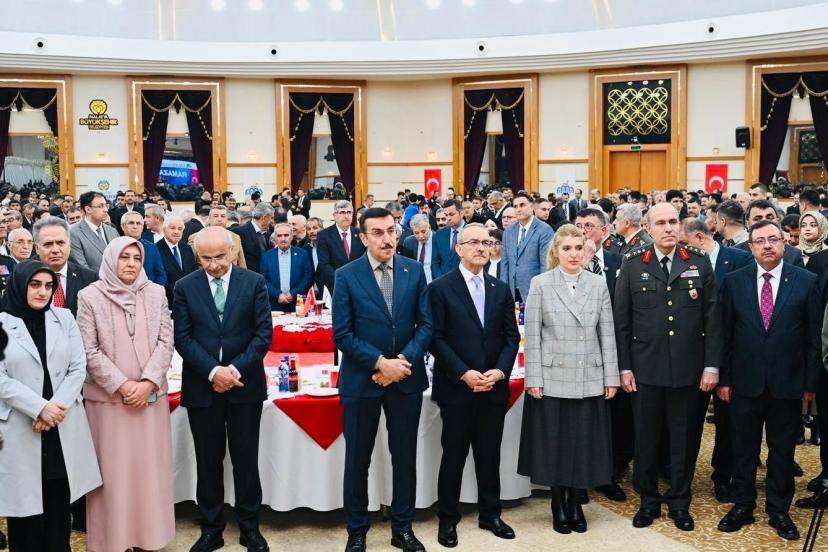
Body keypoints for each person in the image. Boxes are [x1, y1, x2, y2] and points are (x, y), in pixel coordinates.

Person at [614, 203, 722, 532]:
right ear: (648, 228)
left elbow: (712, 319)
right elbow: (622, 321)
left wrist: (711, 365)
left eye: (673, 221)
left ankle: (679, 501)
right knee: (646, 440)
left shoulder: (698, 261)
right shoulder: (633, 263)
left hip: (689, 371)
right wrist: (624, 368)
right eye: (661, 222)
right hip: (645, 370)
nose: (669, 228)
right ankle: (648, 500)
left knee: (684, 440)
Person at [333, 208, 432, 552]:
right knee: (357, 460)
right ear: (363, 238)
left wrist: (401, 362)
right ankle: (357, 530)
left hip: (405, 378)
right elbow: (342, 334)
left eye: (391, 231)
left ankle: (402, 528)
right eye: (377, 233)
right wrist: (379, 363)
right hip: (361, 380)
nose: (387, 239)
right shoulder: (346, 275)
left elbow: (426, 325)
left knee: (404, 457)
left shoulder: (413, 270)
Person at [716, 220, 822, 541]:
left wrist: (810, 384)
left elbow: (813, 339)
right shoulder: (734, 282)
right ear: (750, 247)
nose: (767, 245)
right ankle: (743, 504)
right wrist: (724, 379)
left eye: (773, 239)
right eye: (760, 240)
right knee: (743, 449)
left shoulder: (806, 281)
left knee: (782, 451)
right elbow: (724, 335)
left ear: (784, 244)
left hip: (787, 384)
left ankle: (778, 510)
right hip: (744, 383)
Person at [173, 227, 272, 552]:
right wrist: (214, 372)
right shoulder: (185, 286)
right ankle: (211, 528)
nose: (214, 265)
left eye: (219, 257)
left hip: (245, 385)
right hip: (202, 387)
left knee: (246, 460)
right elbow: (183, 338)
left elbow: (263, 334)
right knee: (207, 460)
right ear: (197, 256)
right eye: (206, 258)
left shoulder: (253, 282)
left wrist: (234, 370)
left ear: (231, 252)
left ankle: (250, 528)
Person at [518, 224, 619, 534]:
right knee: (556, 443)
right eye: (567, 248)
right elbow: (533, 335)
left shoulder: (598, 284)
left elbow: (607, 333)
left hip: (589, 373)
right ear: (556, 252)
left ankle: (576, 502)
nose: (573, 254)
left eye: (578, 248)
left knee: (584, 442)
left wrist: (611, 376)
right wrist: (534, 378)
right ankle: (558, 503)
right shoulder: (540, 283)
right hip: (552, 375)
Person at [76, 237, 175, 552]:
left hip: (150, 402)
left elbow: (166, 341)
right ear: (110, 260)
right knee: (114, 476)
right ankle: (114, 541)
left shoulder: (156, 293)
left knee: (148, 473)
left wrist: (148, 383)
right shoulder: (89, 296)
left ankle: (149, 538)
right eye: (124, 257)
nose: (131, 263)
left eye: (136, 258)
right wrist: (122, 385)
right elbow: (88, 350)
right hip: (108, 404)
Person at [0, 260, 102, 552]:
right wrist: (39, 408)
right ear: (20, 285)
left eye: (48, 286)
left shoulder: (64, 317)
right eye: (35, 285)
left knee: (58, 507)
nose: (42, 292)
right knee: (25, 515)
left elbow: (78, 367)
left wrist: (54, 409)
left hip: (60, 425)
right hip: (22, 425)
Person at [429, 223, 520, 547]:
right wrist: (463, 373)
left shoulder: (500, 288)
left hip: (493, 387)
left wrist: (500, 371)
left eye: (487, 242)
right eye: (474, 242)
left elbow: (511, 336)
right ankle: (448, 519)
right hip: (457, 388)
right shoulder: (440, 288)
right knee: (453, 455)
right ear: (459, 248)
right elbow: (435, 338)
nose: (482, 247)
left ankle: (490, 514)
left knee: (489, 454)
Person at [500, 192, 554, 302]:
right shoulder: (508, 232)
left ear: (532, 206)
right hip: (512, 291)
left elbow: (546, 264)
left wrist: (543, 292)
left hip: (534, 291)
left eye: (522, 205)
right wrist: (503, 291)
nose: (518, 209)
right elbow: (505, 264)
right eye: (515, 206)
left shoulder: (544, 230)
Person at [260, 223, 314, 312]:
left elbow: (308, 277)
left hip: (298, 303)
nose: (283, 239)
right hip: (274, 304)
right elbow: (263, 279)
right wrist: (277, 295)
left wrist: (293, 294)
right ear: (275, 238)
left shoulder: (303, 254)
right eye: (279, 236)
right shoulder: (266, 256)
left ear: (292, 237)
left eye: (286, 235)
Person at [316, 200, 366, 294]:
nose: (346, 216)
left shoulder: (360, 234)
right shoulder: (324, 235)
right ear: (334, 215)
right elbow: (325, 265)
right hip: (335, 286)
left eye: (349, 212)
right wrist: (342, 282)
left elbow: (364, 260)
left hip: (358, 286)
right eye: (342, 212)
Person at [155, 214, 197, 309]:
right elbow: (159, 278)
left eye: (180, 229)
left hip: (189, 300)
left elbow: (192, 272)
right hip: (168, 301)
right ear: (164, 229)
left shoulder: (187, 248)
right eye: (172, 228)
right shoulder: (156, 249)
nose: (176, 232)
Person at [70, 191, 119, 272]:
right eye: (101, 206)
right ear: (88, 209)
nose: (106, 210)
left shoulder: (112, 231)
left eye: (106, 205)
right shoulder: (73, 233)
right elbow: (82, 267)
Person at [120, 211, 167, 287]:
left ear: (142, 227)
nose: (135, 226)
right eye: (131, 223)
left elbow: (161, 275)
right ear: (123, 226)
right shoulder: (115, 246)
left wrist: (154, 290)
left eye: (138, 223)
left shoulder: (152, 248)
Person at [231, 203, 274, 274]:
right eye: (271, 218)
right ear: (264, 218)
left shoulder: (271, 232)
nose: (273, 221)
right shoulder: (239, 232)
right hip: (249, 276)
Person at [431, 199, 466, 279]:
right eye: (446, 215)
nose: (448, 218)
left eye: (451, 214)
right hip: (443, 281)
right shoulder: (439, 234)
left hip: (465, 281)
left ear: (461, 213)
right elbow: (435, 262)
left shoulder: (471, 232)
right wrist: (441, 280)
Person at [403, 214, 434, 283]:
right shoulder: (409, 242)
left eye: (423, 231)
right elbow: (406, 265)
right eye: (416, 233)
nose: (421, 236)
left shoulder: (438, 239)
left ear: (429, 227)